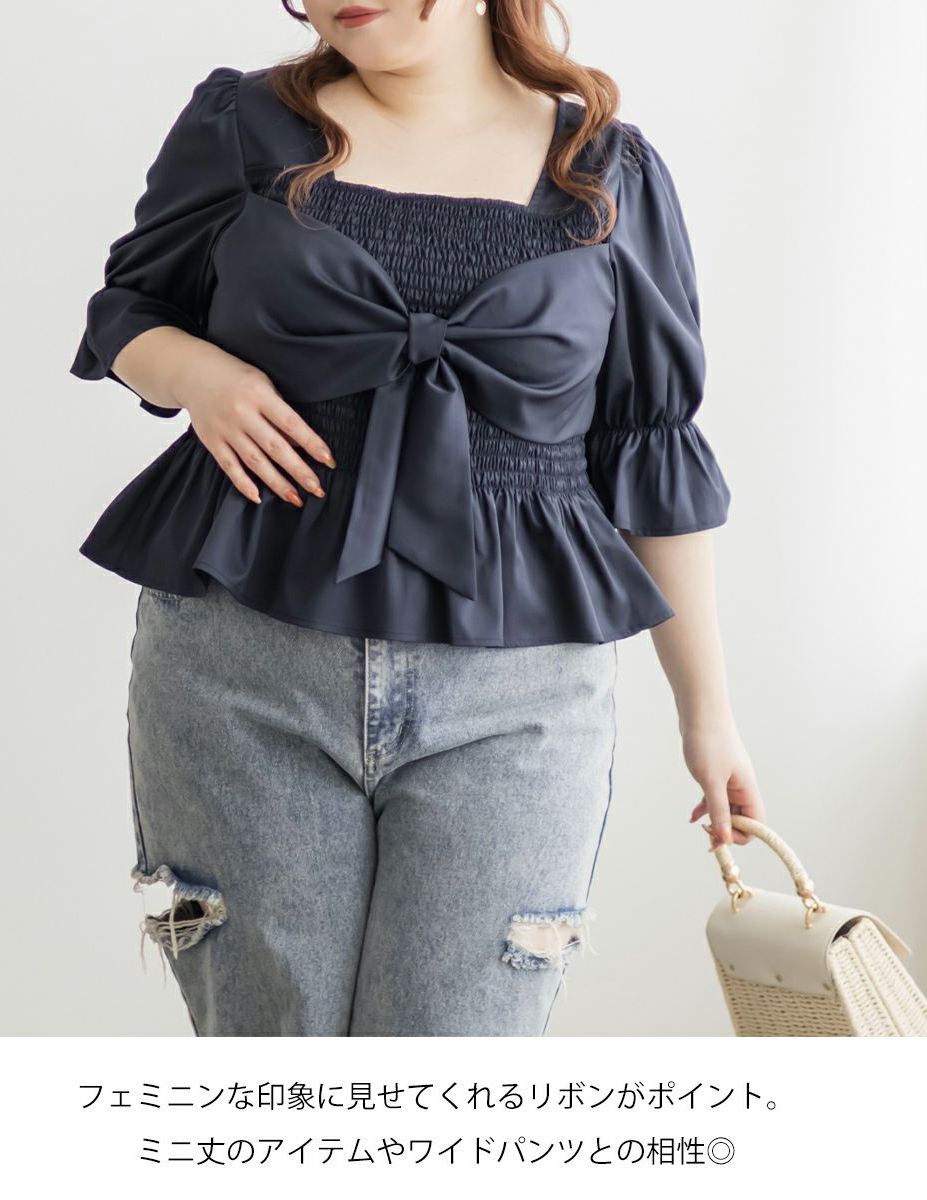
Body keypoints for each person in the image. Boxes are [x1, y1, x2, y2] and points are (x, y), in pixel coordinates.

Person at [69, 0, 766, 1036]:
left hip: (515, 699)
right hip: (241, 666)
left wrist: (707, 716)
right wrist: (199, 377)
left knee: (450, 1090)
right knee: (274, 1074)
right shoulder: (241, 126)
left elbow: (648, 447)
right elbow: (129, 310)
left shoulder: (607, 172)